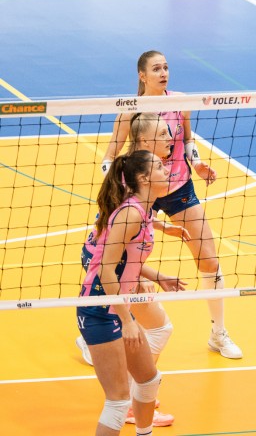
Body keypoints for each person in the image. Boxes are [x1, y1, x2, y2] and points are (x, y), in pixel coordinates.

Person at [100, 51, 242, 359]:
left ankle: (218, 333)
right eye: (156, 68)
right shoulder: (129, 110)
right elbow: (109, 157)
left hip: (178, 186)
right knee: (119, 266)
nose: (163, 73)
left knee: (209, 259)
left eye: (166, 67)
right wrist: (118, 190)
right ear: (142, 75)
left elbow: (188, 142)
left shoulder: (179, 101)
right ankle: (97, 333)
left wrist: (198, 163)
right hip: (142, 193)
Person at [77, 113, 189, 428]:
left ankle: (141, 422)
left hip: (116, 299)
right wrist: (127, 319)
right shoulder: (131, 211)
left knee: (149, 379)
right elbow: (106, 267)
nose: (168, 166)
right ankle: (102, 358)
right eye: (159, 166)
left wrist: (157, 275)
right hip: (102, 308)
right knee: (117, 401)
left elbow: (126, 252)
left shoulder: (141, 204)